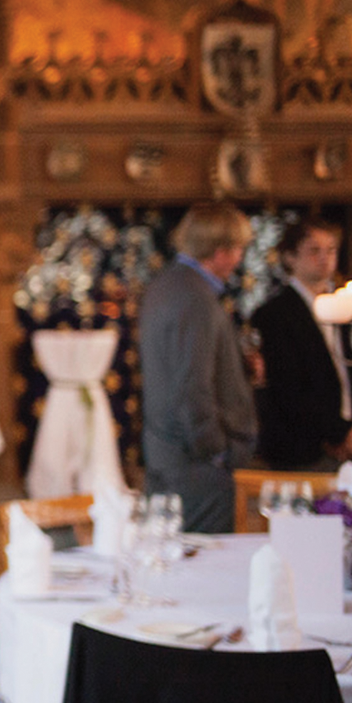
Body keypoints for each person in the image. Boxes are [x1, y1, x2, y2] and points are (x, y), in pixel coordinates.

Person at [139, 202, 258, 533]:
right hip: (196, 467)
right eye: (238, 249)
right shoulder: (195, 297)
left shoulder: (165, 285)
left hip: (168, 456)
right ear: (220, 251)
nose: (239, 259)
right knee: (205, 567)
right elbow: (191, 386)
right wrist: (217, 452)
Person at [251, 218, 352, 471]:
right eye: (314, 250)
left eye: (331, 250)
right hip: (303, 448)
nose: (324, 258)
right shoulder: (275, 314)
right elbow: (287, 386)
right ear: (290, 257)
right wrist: (338, 432)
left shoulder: (350, 305)